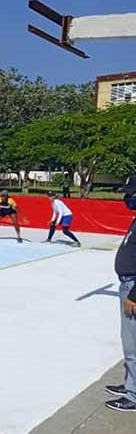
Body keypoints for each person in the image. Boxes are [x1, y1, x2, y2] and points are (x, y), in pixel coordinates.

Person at [105, 175, 136, 412]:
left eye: (131, 194)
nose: (127, 198)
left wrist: (134, 295)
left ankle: (133, 395)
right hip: (127, 283)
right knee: (130, 341)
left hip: (132, 287)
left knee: (133, 343)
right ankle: (130, 383)